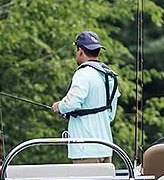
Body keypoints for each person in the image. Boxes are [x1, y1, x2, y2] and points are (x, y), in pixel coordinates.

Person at [50, 30, 121, 163]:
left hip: (85, 148)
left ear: (80, 50)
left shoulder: (83, 74)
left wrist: (58, 107)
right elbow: (110, 115)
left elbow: (71, 103)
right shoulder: (109, 75)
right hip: (106, 147)